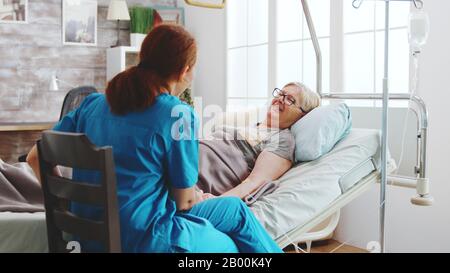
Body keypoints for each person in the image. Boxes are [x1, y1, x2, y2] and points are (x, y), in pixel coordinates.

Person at [26, 24, 282, 253]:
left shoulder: (91, 104)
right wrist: (194, 195)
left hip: (88, 234)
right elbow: (184, 201)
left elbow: (34, 156)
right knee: (231, 246)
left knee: (235, 210)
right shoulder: (177, 113)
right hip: (147, 238)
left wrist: (66, 201)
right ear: (185, 70)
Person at [198, 82, 321, 199]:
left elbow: (254, 182)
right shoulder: (249, 126)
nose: (280, 99)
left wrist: (215, 202)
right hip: (186, 160)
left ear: (302, 115)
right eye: (281, 94)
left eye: (290, 99)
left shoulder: (283, 140)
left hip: (193, 179)